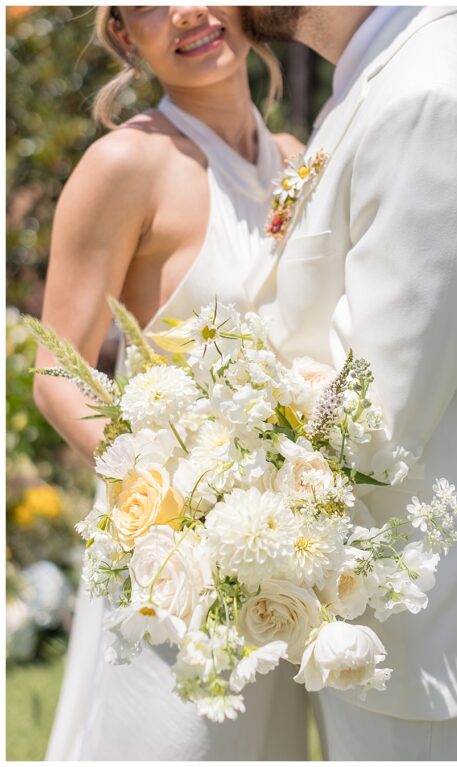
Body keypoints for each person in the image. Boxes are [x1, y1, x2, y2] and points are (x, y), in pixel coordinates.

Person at [37, 6, 308, 759]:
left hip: (280, 561)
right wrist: (170, 504)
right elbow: (57, 370)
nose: (188, 10)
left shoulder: (296, 158)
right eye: (151, 4)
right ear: (126, 36)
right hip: (169, 562)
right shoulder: (126, 164)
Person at [239, 6, 457, 760]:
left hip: (431, 653)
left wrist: (213, 443)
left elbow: (375, 415)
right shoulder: (380, 78)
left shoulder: (428, 97)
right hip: (387, 636)